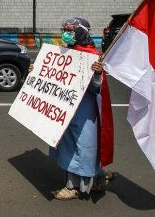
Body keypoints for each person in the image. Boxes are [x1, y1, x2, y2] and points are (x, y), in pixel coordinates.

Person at [49, 17, 114, 200]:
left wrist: (98, 74)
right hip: (66, 108)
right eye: (64, 30)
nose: (66, 34)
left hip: (85, 112)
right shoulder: (65, 53)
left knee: (83, 147)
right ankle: (99, 175)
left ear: (80, 32)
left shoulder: (92, 56)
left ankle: (75, 187)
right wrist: (36, 70)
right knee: (69, 144)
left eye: (70, 31)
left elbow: (98, 88)